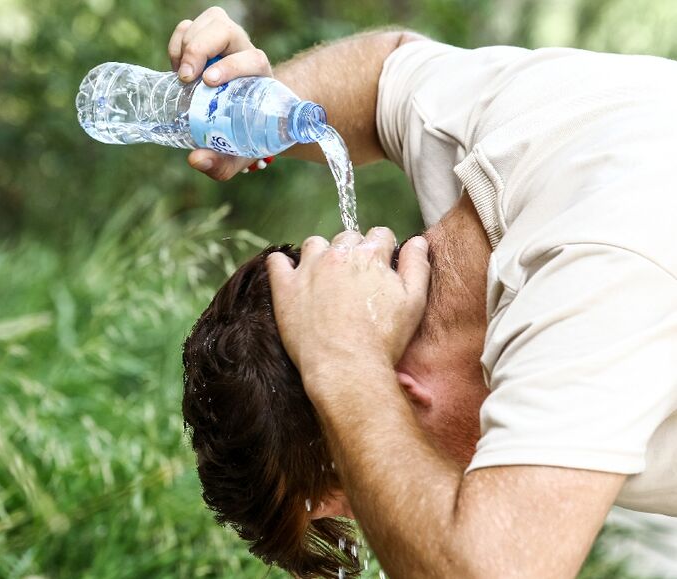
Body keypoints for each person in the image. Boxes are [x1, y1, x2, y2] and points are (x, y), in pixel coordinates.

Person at [176, 6, 677, 578]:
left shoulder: (590, 277)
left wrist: (344, 362)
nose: (404, 516)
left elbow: (491, 569)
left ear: (406, 396)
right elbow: (382, 70)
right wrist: (255, 106)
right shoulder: (489, 136)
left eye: (375, 497)